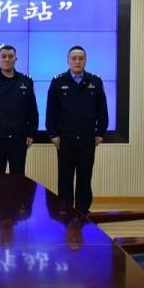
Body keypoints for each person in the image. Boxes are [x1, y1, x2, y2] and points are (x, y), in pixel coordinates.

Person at [45, 45, 108, 214]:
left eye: (81, 58)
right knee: (65, 178)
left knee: (85, 178)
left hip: (88, 138)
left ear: (85, 60)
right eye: (74, 58)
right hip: (65, 139)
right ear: (68, 61)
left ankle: (82, 212)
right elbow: (51, 111)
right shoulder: (58, 82)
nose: (77, 61)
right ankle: (65, 212)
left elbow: (102, 110)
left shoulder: (95, 82)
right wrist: (53, 134)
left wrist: (101, 133)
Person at [0, 45, 39, 174]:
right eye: (3, 56)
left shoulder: (26, 81)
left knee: (18, 177)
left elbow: (33, 110)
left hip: (19, 138)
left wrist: (31, 133)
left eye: (10, 56)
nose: (7, 59)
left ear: (16, 59)